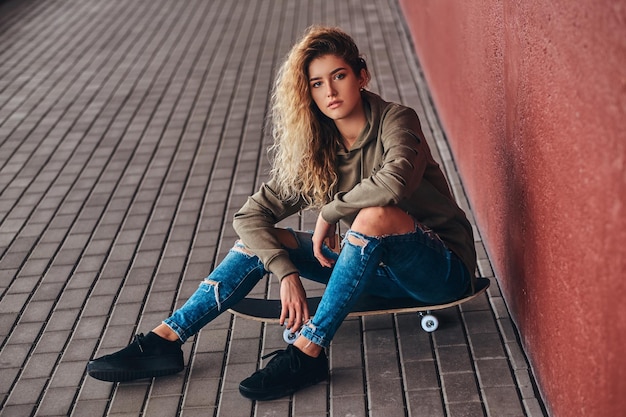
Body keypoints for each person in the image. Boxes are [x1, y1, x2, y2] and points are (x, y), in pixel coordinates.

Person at [87, 25, 477, 401]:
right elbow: (250, 216)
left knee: (375, 215)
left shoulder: (398, 120)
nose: (330, 91)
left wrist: (329, 212)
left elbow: (394, 184)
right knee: (261, 239)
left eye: (338, 76)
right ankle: (166, 340)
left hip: (441, 272)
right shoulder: (322, 149)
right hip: (373, 273)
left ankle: (309, 351)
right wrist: (285, 272)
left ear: (362, 76)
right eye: (317, 83)